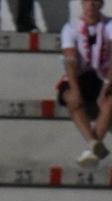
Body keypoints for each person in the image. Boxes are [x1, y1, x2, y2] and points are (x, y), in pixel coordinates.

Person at [59, 0, 112, 168]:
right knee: (72, 98)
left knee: (110, 101)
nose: (91, 6)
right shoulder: (70, 27)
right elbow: (70, 61)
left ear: (101, 5)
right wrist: (75, 89)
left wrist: (104, 88)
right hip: (80, 75)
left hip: (102, 75)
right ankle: (93, 143)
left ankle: (92, 151)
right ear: (82, 4)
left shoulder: (109, 25)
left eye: (95, 2)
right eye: (88, 2)